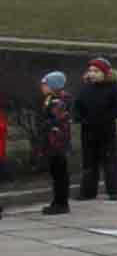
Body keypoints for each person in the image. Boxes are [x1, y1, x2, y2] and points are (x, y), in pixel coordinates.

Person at [68, 59, 117, 202]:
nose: (92, 74)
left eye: (96, 71)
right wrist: (79, 118)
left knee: (110, 161)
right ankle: (88, 192)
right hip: (88, 131)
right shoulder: (85, 88)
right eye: (91, 71)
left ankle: (114, 191)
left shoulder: (113, 88)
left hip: (106, 130)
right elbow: (77, 106)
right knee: (89, 163)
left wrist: (106, 118)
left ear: (105, 73)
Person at [30, 73, 72, 215]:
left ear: (54, 86)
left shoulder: (58, 101)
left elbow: (57, 119)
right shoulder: (50, 99)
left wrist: (45, 125)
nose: (42, 87)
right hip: (51, 142)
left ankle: (61, 203)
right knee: (56, 173)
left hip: (57, 142)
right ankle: (57, 201)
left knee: (60, 173)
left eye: (45, 84)